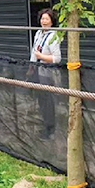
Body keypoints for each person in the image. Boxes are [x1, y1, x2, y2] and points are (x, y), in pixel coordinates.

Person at [30, 9, 62, 138]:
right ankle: (45, 124)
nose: (44, 21)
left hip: (48, 73)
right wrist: (31, 66)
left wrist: (41, 56)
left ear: (51, 21)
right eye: (42, 19)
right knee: (41, 100)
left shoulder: (54, 36)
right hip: (37, 70)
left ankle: (50, 129)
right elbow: (34, 51)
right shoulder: (38, 33)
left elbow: (57, 58)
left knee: (48, 101)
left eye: (46, 19)